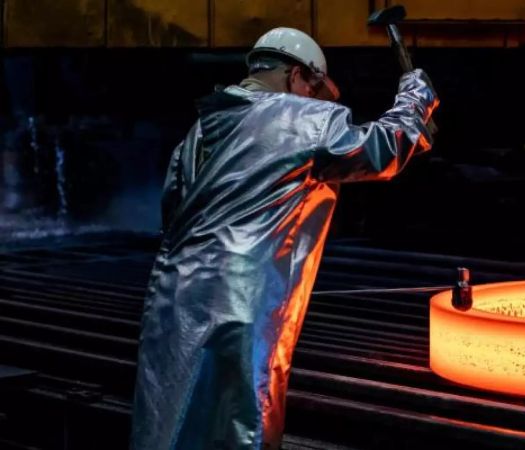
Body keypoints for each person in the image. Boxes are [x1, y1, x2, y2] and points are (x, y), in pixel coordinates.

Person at [130, 27, 438, 450]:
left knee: (175, 420)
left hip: (175, 302)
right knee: (241, 423)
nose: (315, 102)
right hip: (244, 304)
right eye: (315, 91)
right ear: (297, 76)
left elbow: (172, 206)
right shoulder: (300, 118)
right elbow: (383, 147)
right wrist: (416, 98)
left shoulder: (198, 131)